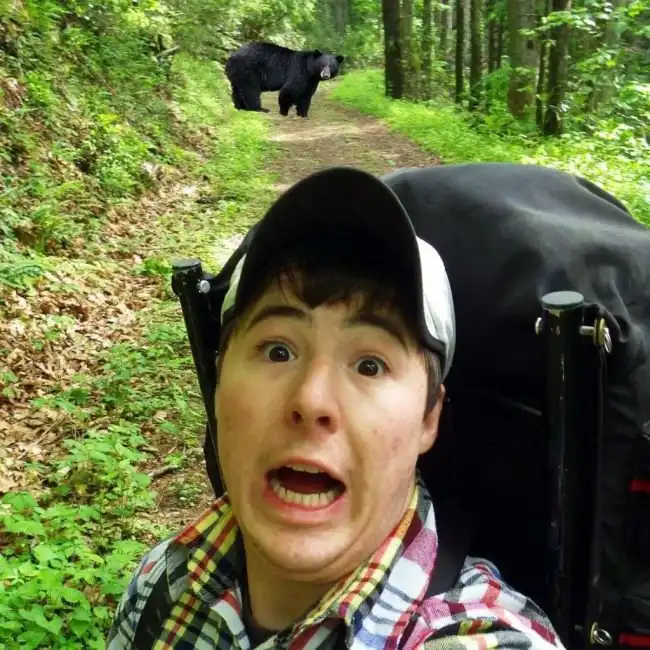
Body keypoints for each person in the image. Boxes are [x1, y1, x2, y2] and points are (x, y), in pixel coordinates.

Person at [107, 166, 565, 649]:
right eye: (277, 351)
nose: (312, 400)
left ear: (429, 417)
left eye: (369, 365)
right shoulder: (158, 585)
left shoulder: (483, 637)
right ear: (219, 384)